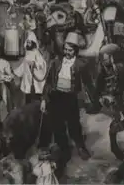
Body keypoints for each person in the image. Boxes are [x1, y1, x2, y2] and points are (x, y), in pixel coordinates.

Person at [40, 31, 94, 161]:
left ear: (75, 50)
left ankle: (81, 147)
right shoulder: (56, 62)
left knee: (74, 124)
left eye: (70, 50)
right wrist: (44, 100)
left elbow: (88, 83)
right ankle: (63, 148)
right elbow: (48, 82)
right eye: (65, 49)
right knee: (58, 125)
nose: (67, 52)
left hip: (70, 98)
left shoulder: (81, 64)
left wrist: (92, 99)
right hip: (56, 97)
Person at [14, 32, 47, 104]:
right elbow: (24, 64)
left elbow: (41, 63)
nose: (28, 44)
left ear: (33, 42)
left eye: (29, 42)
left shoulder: (36, 52)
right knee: (28, 96)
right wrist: (16, 72)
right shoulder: (27, 52)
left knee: (35, 96)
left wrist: (34, 64)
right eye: (27, 42)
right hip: (27, 77)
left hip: (34, 78)